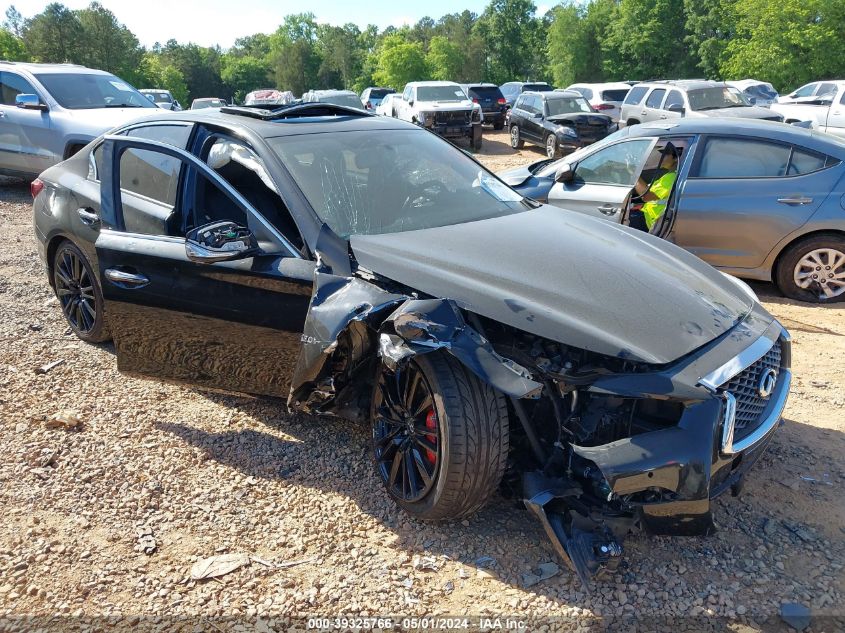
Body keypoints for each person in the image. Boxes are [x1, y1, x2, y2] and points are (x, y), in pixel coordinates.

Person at [633, 144, 679, 231]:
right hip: (652, 220)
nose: (661, 156)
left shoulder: (671, 177)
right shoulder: (668, 175)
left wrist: (634, 173)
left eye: (665, 154)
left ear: (676, 158)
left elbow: (646, 196)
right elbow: (658, 200)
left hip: (656, 224)